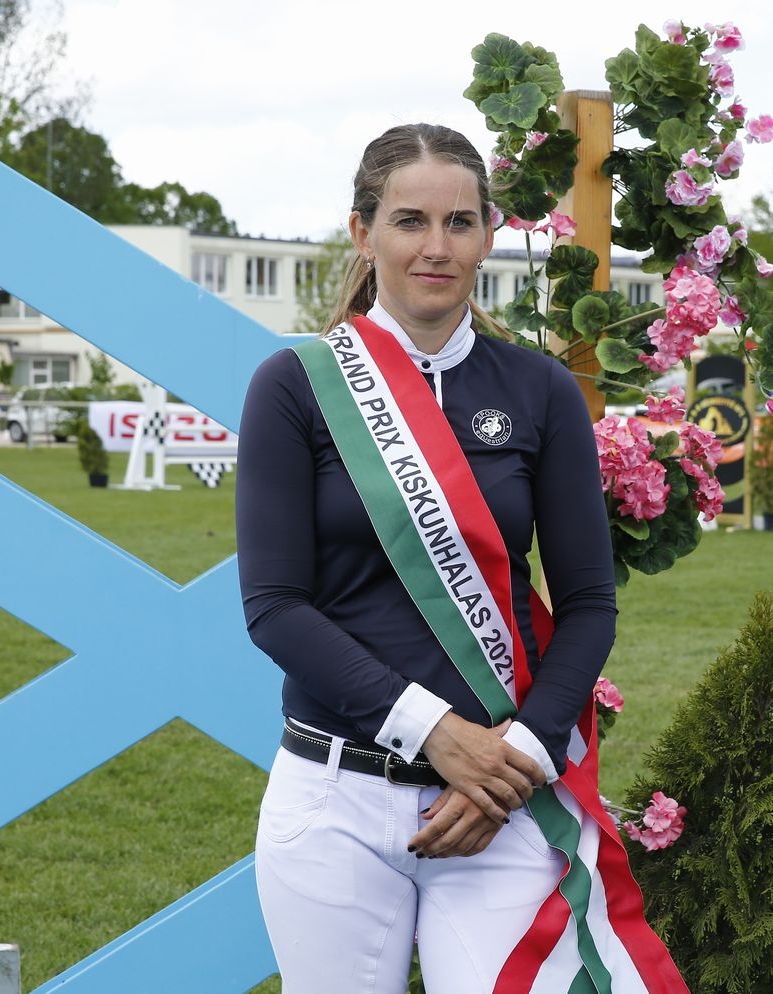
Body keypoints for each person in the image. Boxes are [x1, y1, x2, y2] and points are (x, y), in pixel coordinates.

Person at [236, 123, 689, 993]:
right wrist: (439, 737)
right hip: (337, 798)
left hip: (501, 797)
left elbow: (588, 603)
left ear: (488, 234)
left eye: (460, 222)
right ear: (364, 232)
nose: (436, 248)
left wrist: (515, 759)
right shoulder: (294, 385)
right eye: (410, 221)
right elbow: (276, 607)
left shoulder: (540, 389)